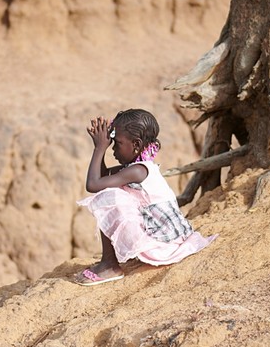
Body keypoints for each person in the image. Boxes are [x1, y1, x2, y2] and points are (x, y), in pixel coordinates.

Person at [75, 108, 217, 286]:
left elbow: (93, 185)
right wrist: (103, 147)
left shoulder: (138, 170)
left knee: (109, 197)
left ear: (136, 144)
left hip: (164, 247)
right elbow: (101, 178)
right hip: (169, 239)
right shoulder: (136, 167)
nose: (113, 149)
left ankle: (109, 265)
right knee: (110, 191)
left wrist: (99, 148)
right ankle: (109, 262)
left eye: (116, 143)